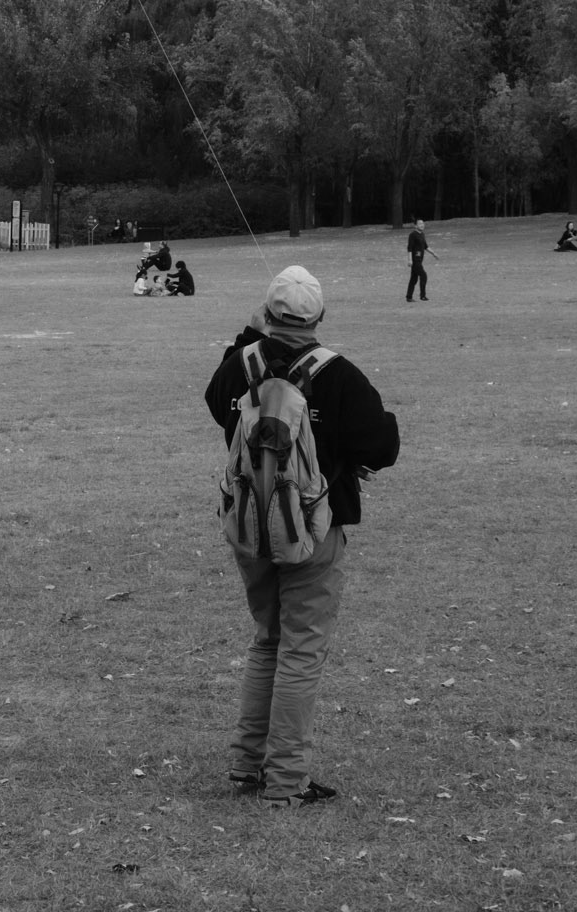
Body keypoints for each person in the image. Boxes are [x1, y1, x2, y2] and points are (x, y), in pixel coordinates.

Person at [205, 264, 399, 807]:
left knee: (268, 641)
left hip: (248, 527)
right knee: (301, 651)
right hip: (316, 530)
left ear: (267, 315)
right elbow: (382, 447)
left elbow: (216, 407)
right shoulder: (339, 375)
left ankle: (248, 766)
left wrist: (249, 336)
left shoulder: (238, 365)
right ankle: (286, 782)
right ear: (319, 317)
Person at [405, 219, 437, 301]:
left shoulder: (422, 234)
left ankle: (409, 297)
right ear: (415, 226)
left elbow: (426, 246)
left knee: (413, 279)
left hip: (420, 260)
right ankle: (422, 296)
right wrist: (410, 260)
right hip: (415, 260)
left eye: (423, 223)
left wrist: (433, 253)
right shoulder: (412, 235)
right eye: (420, 224)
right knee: (423, 275)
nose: (422, 225)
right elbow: (409, 248)